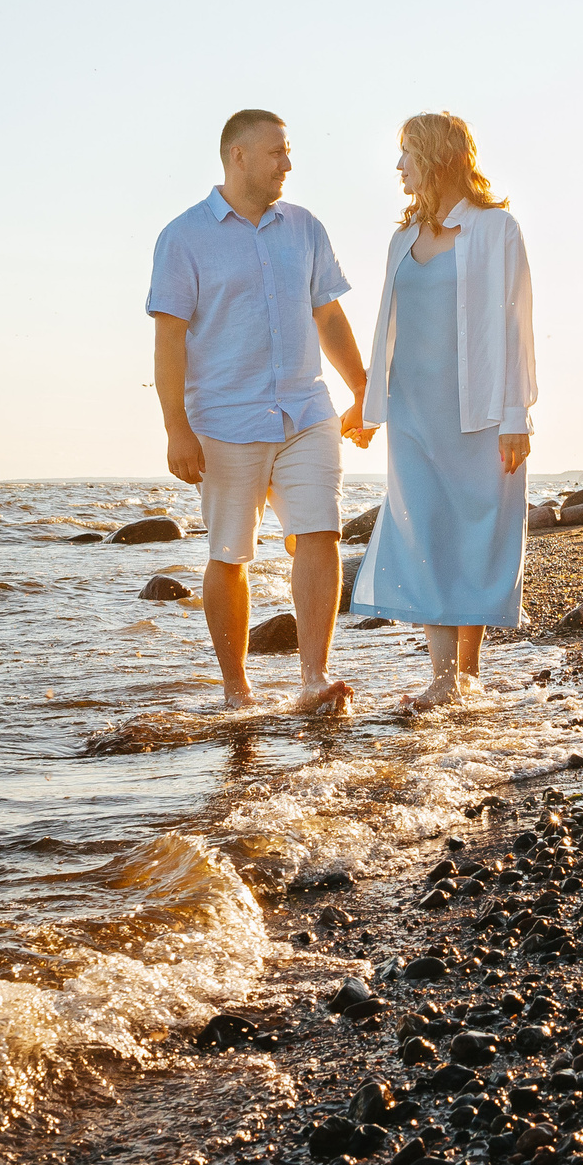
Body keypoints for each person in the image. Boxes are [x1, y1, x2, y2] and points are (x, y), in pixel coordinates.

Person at [148, 108, 373, 713]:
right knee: (229, 554)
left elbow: (328, 315)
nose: (288, 164)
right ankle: (236, 689)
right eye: (277, 152)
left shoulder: (304, 228)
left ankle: (314, 678)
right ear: (238, 155)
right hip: (223, 423)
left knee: (320, 532)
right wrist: (177, 430)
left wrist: (362, 391)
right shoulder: (184, 236)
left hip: (306, 411)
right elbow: (169, 340)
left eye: (288, 151)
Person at [345, 112, 537, 708]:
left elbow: (517, 327)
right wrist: (369, 407)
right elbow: (386, 331)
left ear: (435, 156)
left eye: (405, 153)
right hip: (413, 411)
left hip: (478, 412)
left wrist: (516, 416)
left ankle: (467, 673)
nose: (398, 167)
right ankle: (441, 676)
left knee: (473, 528)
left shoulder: (496, 229)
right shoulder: (401, 239)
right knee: (424, 527)